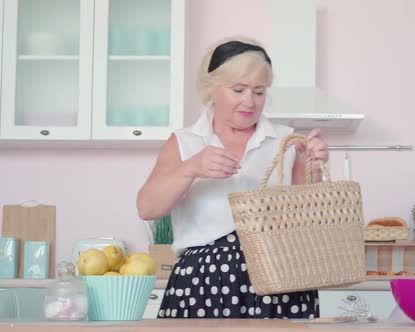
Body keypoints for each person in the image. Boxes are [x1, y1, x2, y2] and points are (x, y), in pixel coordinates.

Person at [136, 36, 329, 319]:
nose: (249, 102)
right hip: (202, 283)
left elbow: (312, 217)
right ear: (212, 89)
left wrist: (315, 169)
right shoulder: (185, 142)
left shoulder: (286, 141)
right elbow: (147, 208)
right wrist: (191, 168)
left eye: (259, 92)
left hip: (281, 277)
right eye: (238, 90)